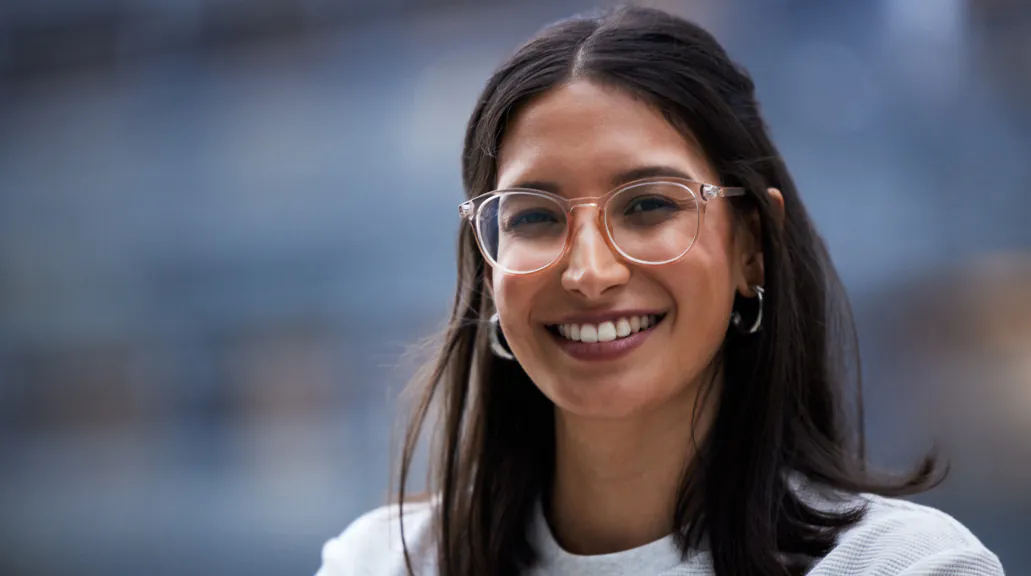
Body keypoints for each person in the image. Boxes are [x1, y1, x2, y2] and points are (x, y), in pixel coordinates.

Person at [316, 6, 1004, 575]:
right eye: (533, 216)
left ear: (751, 249)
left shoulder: (898, 567)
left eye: (647, 206)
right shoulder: (382, 562)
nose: (588, 272)